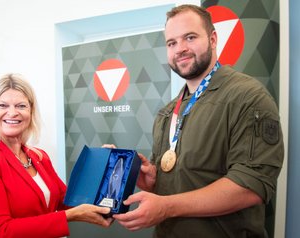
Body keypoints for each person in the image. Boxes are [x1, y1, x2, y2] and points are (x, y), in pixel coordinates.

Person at [111, 4, 284, 238]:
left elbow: (250, 186)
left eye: (190, 37)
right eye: (171, 43)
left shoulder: (247, 97)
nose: (180, 49)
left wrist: (167, 207)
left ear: (213, 39)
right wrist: (152, 180)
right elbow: (181, 181)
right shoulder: (167, 112)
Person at [0, 73, 112, 238]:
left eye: (21, 106)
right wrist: (69, 216)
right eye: (3, 105)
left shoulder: (39, 156)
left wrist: (102, 166)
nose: (12, 113)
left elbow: (69, 201)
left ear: (31, 111)